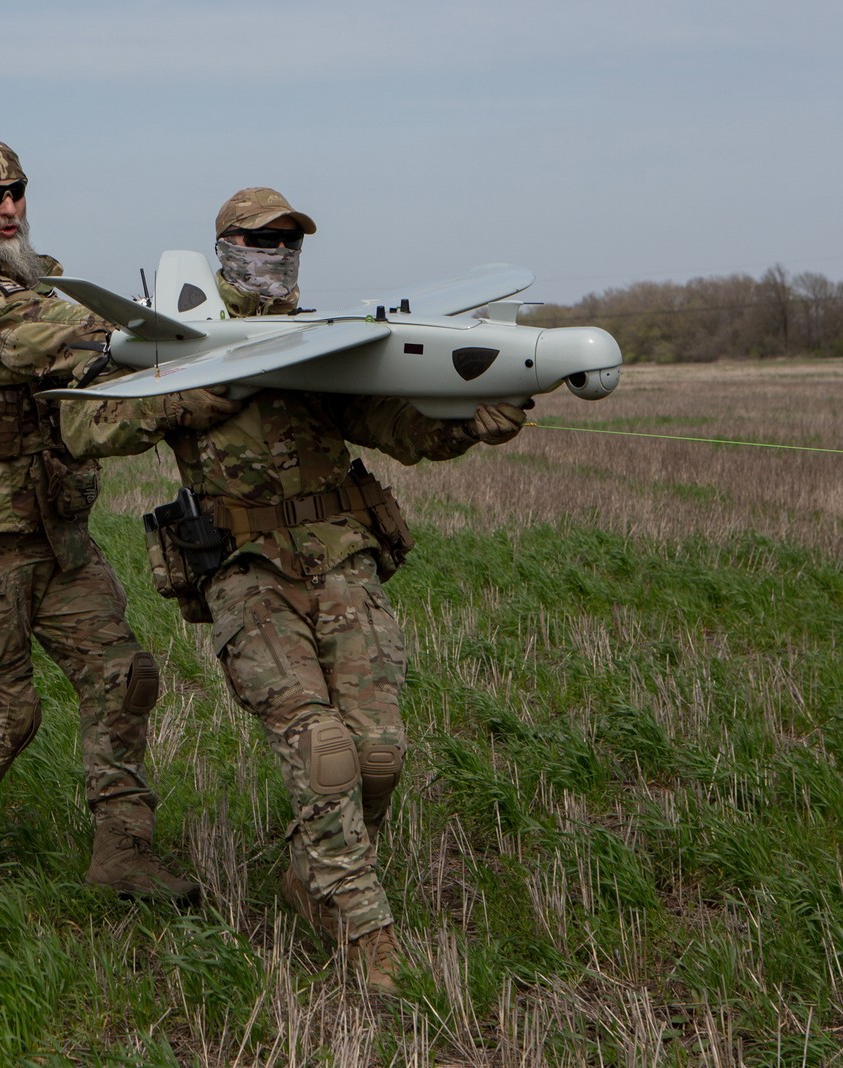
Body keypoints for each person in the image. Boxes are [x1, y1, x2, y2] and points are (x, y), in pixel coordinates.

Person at [61, 187, 526, 992]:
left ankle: (311, 884)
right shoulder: (185, 339)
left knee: (380, 753)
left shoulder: (324, 342)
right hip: (248, 572)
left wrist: (472, 422)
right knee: (325, 751)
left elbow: (397, 429)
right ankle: (366, 932)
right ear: (225, 247)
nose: (275, 254)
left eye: (288, 242)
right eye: (259, 240)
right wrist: (189, 398)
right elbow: (86, 424)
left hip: (342, 558)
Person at [0, 137, 198, 904]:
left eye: (17, 191)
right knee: (2, 712)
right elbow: (55, 337)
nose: (10, 207)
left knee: (124, 677)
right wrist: (181, 350)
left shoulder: (18, 279)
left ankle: (123, 852)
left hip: (56, 536)